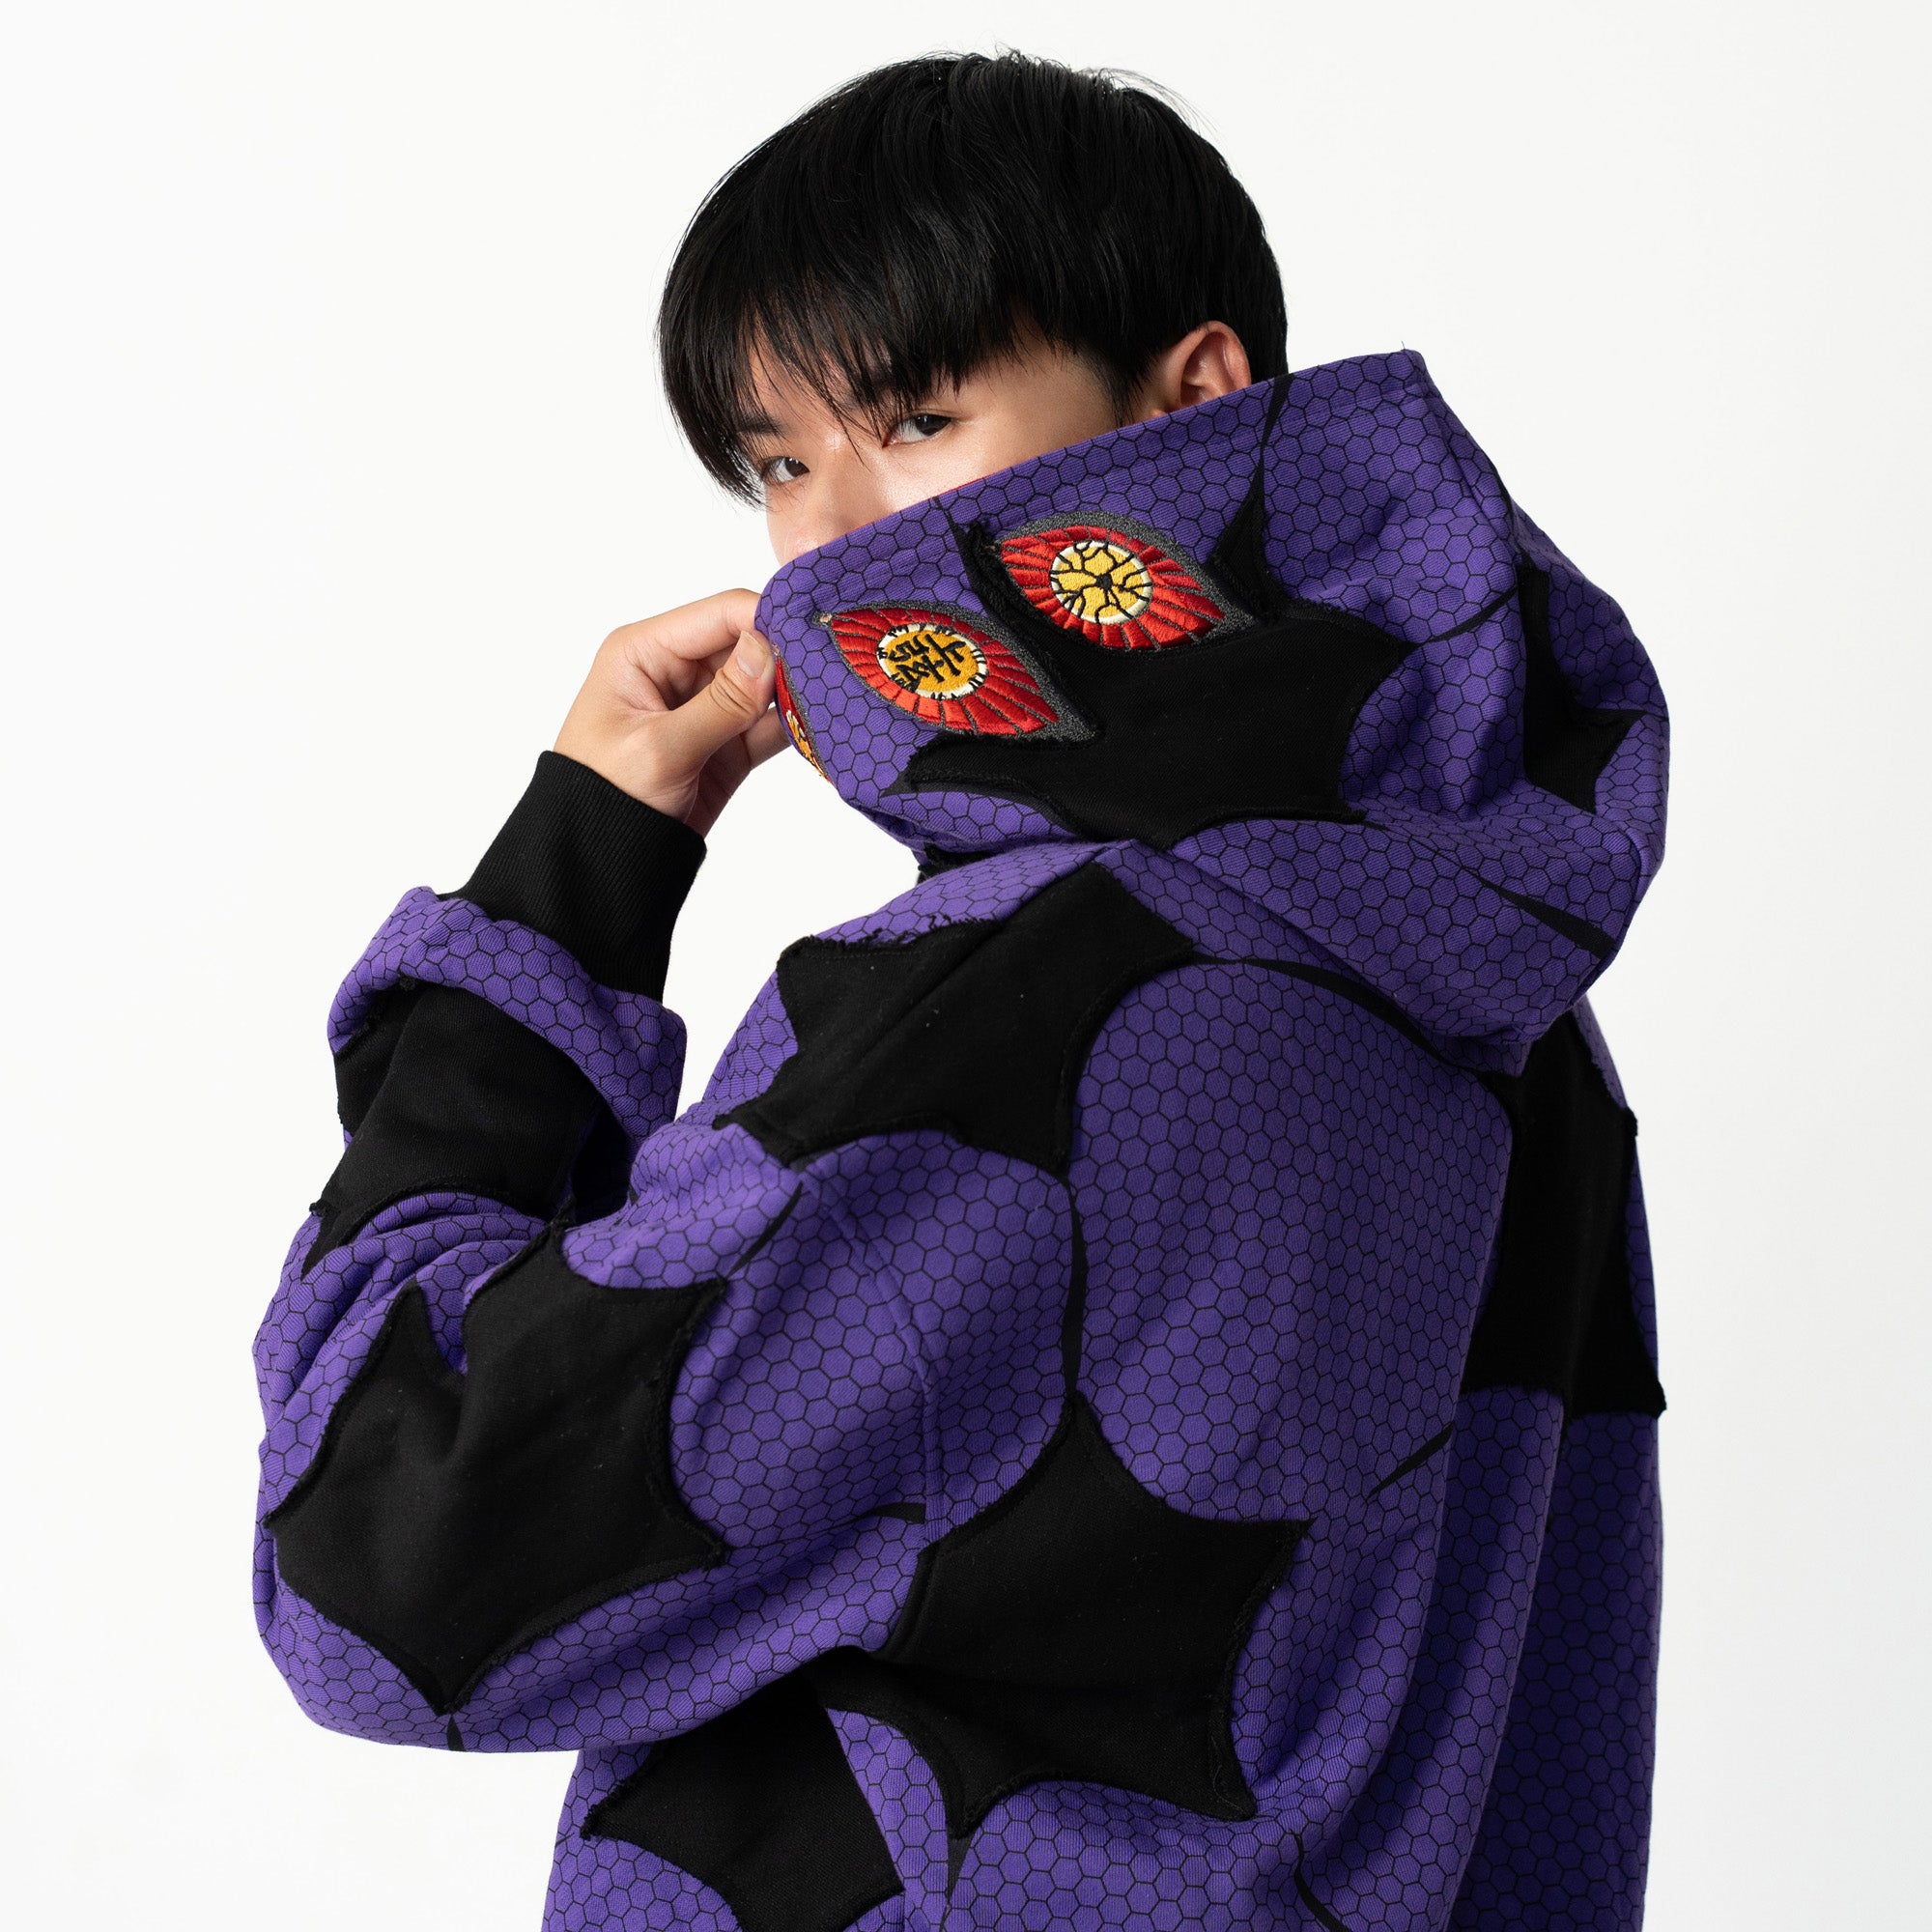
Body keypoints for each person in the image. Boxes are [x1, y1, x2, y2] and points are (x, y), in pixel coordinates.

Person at [254, 52, 1668, 1932]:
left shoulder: (1025, 1008)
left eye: (918, 418)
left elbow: (385, 1559)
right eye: (779, 464)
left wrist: (571, 876)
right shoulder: (1487, 986)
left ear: (1192, 398)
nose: (831, 539)